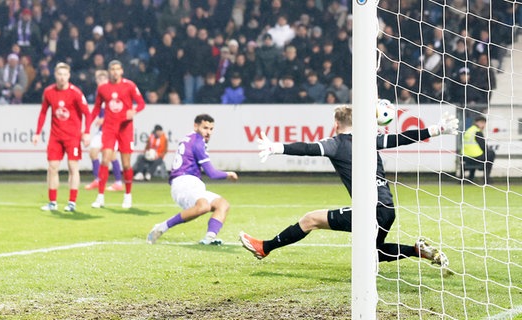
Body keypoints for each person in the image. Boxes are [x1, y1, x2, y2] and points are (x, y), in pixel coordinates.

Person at [239, 106, 458, 268]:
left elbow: (307, 147)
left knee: (310, 220)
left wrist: (276, 147)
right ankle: (417, 251)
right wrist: (437, 129)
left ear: (336, 124)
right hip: (387, 209)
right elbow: (402, 138)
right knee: (376, 251)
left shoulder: (336, 143)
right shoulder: (370, 139)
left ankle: (264, 247)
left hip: (369, 210)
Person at [147, 114, 238, 245]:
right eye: (205, 128)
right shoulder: (197, 142)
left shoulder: (191, 138)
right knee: (204, 206)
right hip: (183, 182)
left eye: (211, 129)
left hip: (192, 183)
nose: (208, 132)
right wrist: (229, 174)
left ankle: (209, 239)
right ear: (196, 126)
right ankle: (161, 227)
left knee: (222, 204)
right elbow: (211, 173)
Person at [32, 62, 91, 212]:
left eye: (65, 74)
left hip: (72, 137)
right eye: (60, 74)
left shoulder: (76, 92)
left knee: (73, 167)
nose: (62, 77)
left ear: (69, 76)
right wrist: (37, 133)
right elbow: (43, 112)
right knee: (52, 168)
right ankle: (52, 202)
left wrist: (86, 132)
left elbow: (87, 113)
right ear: (55, 75)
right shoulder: (49, 92)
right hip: (56, 136)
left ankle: (72, 202)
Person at [90, 60, 146, 209]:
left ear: (122, 71)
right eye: (112, 69)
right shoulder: (103, 88)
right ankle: (100, 197)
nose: (115, 72)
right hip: (109, 127)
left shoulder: (129, 85)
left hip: (125, 128)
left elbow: (141, 103)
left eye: (117, 69)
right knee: (105, 159)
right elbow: (96, 108)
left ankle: (128, 196)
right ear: (109, 71)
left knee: (126, 163)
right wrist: (87, 126)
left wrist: (134, 111)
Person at [84, 70, 125, 192]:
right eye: (98, 79)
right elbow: (95, 111)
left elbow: (119, 110)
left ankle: (118, 182)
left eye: (103, 79)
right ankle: (98, 180)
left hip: (114, 131)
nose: (100, 82)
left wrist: (105, 118)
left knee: (111, 156)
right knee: (93, 153)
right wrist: (87, 127)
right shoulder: (99, 94)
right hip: (102, 131)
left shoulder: (114, 92)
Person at [462, 116, 495, 184]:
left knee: (487, 154)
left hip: (465, 157)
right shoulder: (477, 132)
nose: (484, 125)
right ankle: (486, 178)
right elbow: (483, 146)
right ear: (479, 122)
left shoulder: (469, 130)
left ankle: (471, 177)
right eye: (483, 123)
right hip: (475, 156)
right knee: (491, 154)